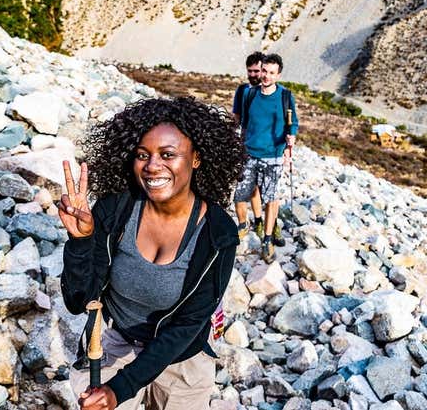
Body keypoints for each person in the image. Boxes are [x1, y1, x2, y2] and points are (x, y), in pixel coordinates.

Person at [58, 96, 244, 410]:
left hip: (180, 354)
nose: (152, 166)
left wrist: (121, 388)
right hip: (116, 342)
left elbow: (187, 325)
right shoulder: (115, 211)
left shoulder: (218, 233)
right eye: (142, 155)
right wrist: (80, 242)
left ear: (196, 158)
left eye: (168, 154)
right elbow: (78, 302)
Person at [234, 53, 298, 263]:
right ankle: (244, 225)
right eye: (263, 71)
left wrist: (291, 139)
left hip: (273, 156)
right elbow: (243, 121)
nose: (265, 76)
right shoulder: (249, 94)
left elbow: (293, 123)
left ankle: (267, 239)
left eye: (271, 73)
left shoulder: (285, 96)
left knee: (270, 198)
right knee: (240, 194)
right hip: (249, 153)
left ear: (278, 75)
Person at [231, 51, 265, 239]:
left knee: (256, 188)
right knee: (243, 186)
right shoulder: (242, 91)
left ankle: (259, 221)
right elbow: (236, 117)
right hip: (245, 145)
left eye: (256, 71)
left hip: (265, 148)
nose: (253, 75)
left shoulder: (272, 93)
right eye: (250, 71)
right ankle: (243, 224)